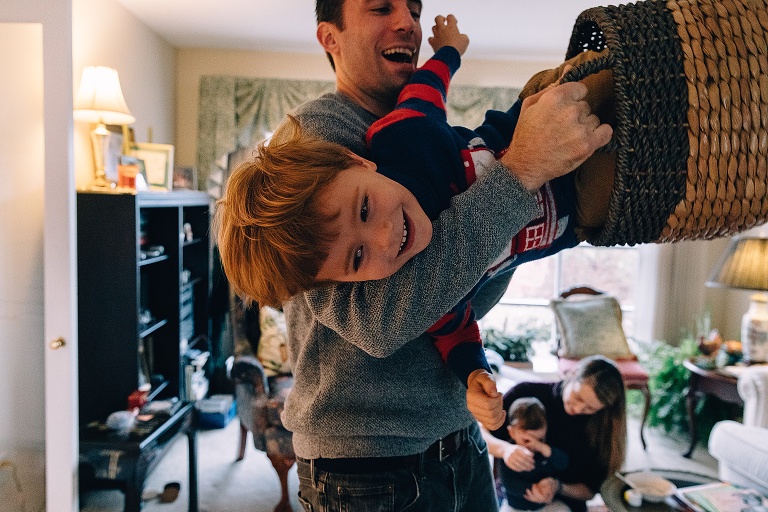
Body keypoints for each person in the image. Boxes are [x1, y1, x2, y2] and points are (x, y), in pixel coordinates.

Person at [229, 0, 612, 509]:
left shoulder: (417, 131)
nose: (407, 23)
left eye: (413, 8)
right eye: (380, 7)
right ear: (330, 37)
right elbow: (379, 321)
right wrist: (520, 171)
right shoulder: (315, 135)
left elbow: (463, 291)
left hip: (457, 435)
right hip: (370, 466)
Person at [484, 355, 627, 512]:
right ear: (573, 374)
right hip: (516, 498)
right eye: (578, 397)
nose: (578, 409)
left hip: (565, 502)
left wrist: (558, 487)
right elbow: (480, 432)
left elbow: (589, 490)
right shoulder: (526, 394)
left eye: (590, 408)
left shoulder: (602, 428)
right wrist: (505, 449)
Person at [500, 397, 569, 512]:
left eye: (540, 439)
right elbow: (508, 483)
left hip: (545, 505)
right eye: (526, 440)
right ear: (512, 433)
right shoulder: (510, 453)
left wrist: (546, 449)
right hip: (516, 506)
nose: (534, 445)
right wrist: (533, 489)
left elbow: (563, 464)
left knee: (563, 509)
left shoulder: (546, 450)